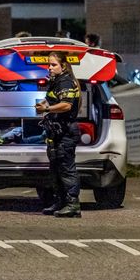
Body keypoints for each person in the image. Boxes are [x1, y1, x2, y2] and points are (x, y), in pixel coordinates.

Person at [35, 51, 81, 218]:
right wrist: (45, 104)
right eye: (49, 64)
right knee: (55, 169)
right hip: (57, 132)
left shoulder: (66, 82)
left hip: (66, 131)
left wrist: (46, 109)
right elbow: (54, 99)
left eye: (53, 64)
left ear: (63, 65)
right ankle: (60, 202)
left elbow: (67, 105)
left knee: (66, 169)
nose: (50, 67)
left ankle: (72, 204)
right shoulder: (57, 81)